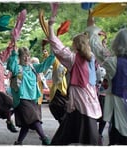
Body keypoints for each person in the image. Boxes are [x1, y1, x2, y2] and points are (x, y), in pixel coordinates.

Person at [47, 10, 102, 145]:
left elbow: (57, 47)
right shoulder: (93, 57)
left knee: (75, 133)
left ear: (76, 45)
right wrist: (91, 20)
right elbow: (96, 41)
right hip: (91, 98)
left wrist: (50, 26)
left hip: (79, 99)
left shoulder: (72, 59)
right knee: (86, 132)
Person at [86, 14, 127, 145]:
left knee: (122, 139)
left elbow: (96, 47)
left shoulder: (115, 63)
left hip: (123, 111)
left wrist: (92, 27)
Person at [7, 46, 55, 145]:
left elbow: (45, 65)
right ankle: (44, 138)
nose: (26, 58)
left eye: (28, 56)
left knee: (26, 123)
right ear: (19, 57)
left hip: (33, 99)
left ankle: (18, 142)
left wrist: (53, 52)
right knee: (34, 119)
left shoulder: (33, 67)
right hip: (22, 99)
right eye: (24, 56)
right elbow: (11, 65)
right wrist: (13, 54)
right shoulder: (17, 68)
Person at [42, 48, 68, 124]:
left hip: (62, 91)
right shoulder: (57, 62)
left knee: (61, 110)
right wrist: (45, 49)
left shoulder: (66, 63)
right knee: (58, 109)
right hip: (58, 91)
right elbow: (49, 58)